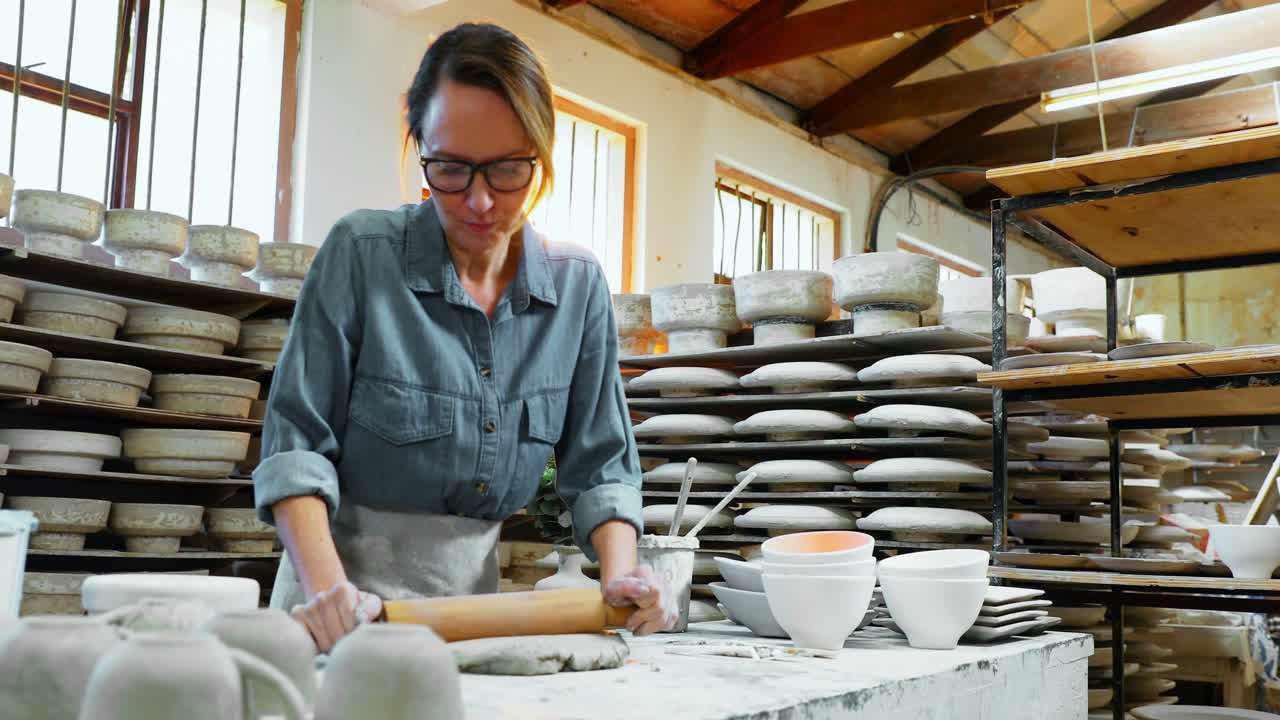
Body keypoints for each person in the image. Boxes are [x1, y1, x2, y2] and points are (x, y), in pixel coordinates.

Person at [252, 22, 676, 652]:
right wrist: (329, 593)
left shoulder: (577, 285)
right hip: (331, 607)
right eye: (451, 168)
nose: (479, 201)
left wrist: (620, 580)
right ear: (420, 149)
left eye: (506, 169)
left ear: (540, 154)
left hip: (468, 621)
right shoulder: (362, 254)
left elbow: (602, 464)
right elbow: (296, 447)